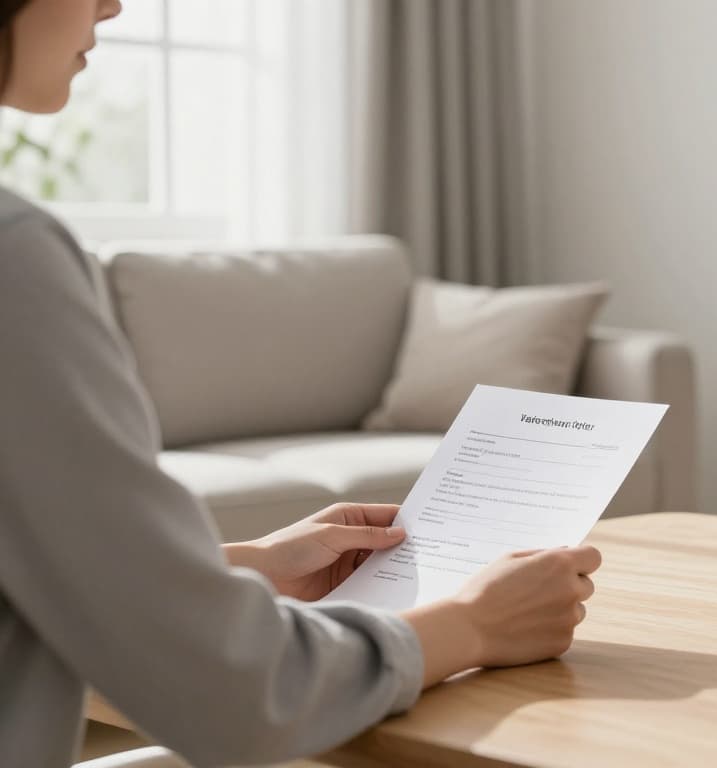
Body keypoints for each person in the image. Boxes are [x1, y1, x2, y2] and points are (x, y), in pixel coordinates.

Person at [0, 1, 601, 766]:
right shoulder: (13, 258)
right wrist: (473, 625)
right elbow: (233, 695)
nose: (113, 3)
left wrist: (243, 564)